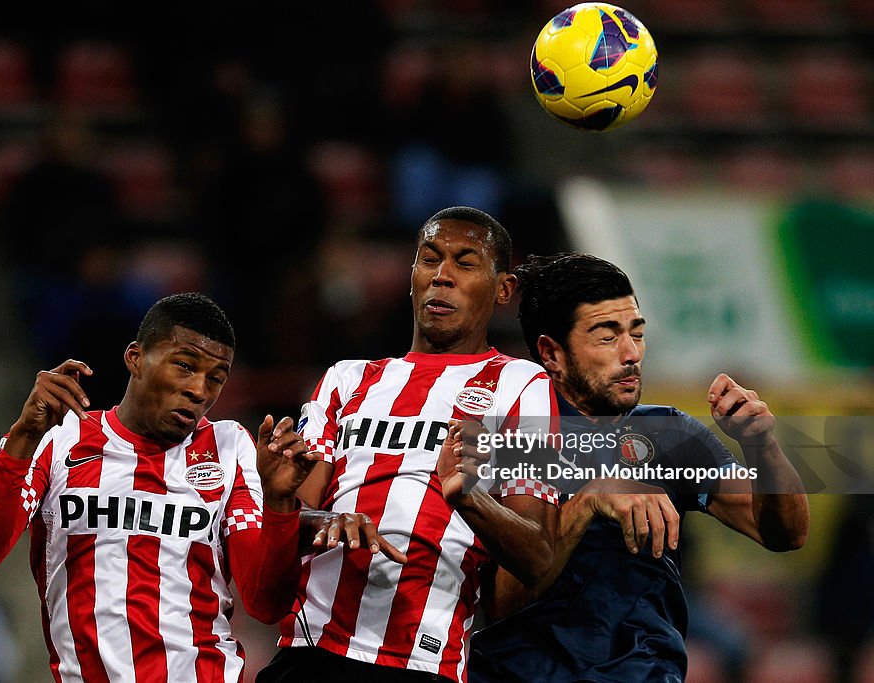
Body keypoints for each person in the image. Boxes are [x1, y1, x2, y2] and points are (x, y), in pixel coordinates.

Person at [464, 253, 810, 682]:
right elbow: (501, 601)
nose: (631, 354)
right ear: (552, 353)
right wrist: (592, 499)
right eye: (607, 337)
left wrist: (761, 445)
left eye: (637, 333)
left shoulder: (670, 434)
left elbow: (785, 533)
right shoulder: (509, 437)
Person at [257, 206, 560, 683]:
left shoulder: (523, 384)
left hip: (423, 660)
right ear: (412, 275)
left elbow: (538, 557)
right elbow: (288, 522)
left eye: (465, 263)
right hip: (310, 650)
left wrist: (470, 498)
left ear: (503, 289)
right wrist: (308, 513)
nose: (442, 276)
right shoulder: (346, 379)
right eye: (430, 259)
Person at [0, 292, 321, 682]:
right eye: (185, 366)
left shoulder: (229, 447)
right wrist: (24, 435)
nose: (199, 390)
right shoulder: (59, 438)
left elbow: (264, 603)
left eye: (215, 378)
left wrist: (279, 503)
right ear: (135, 358)